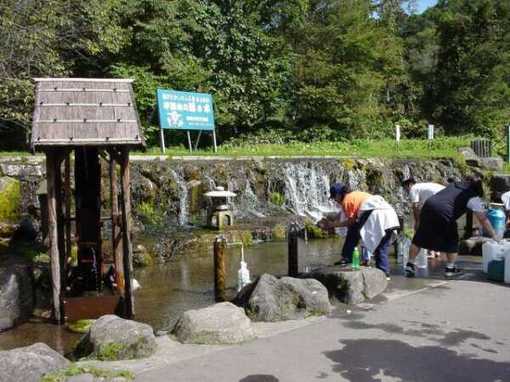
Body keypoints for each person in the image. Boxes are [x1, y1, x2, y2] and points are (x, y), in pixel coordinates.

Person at [406, 176, 498, 278]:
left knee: (419, 237)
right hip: (445, 211)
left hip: (429, 205)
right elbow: (483, 219)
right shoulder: (472, 197)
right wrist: (494, 235)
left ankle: (410, 264)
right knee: (452, 239)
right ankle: (450, 268)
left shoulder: (454, 185)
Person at [318, 183, 371, 266]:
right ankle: (351, 257)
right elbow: (341, 214)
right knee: (355, 230)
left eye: (334, 197)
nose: (334, 200)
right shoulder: (351, 196)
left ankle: (348, 258)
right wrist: (331, 220)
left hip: (371, 213)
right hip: (375, 211)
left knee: (353, 229)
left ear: (339, 194)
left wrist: (332, 225)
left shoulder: (347, 200)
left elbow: (350, 222)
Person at [403, 177, 446, 257]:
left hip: (438, 202)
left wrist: (417, 221)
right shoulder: (423, 187)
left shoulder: (413, 188)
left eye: (405, 188)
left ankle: (432, 252)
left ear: (409, 185)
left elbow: (415, 206)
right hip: (447, 199)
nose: (406, 191)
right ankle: (436, 251)